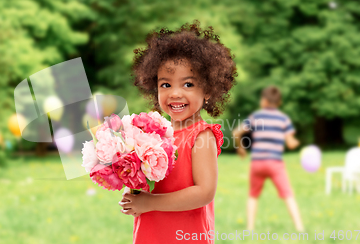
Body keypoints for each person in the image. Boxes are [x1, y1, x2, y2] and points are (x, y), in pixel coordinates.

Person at [118, 21, 237, 243]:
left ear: (208, 90)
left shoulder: (201, 135)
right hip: (150, 233)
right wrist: (134, 195)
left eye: (188, 84)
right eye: (166, 85)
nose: (175, 93)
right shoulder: (153, 135)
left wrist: (149, 203)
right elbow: (150, 183)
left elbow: (204, 192)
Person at [232, 85, 304, 232]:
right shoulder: (284, 119)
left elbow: (236, 132)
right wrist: (296, 142)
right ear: (279, 103)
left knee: (253, 195)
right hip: (275, 163)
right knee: (288, 194)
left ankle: (250, 228)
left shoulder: (256, 116)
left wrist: (240, 148)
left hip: (257, 163)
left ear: (263, 101)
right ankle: (300, 227)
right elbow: (290, 144)